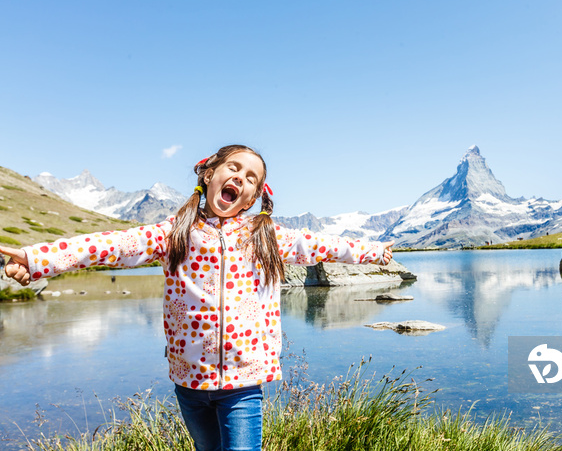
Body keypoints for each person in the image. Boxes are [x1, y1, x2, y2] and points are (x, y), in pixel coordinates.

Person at [0, 144, 394, 451]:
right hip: (189, 382)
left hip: (244, 382)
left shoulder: (265, 235)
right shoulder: (176, 231)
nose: (241, 178)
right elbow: (113, 246)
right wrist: (38, 260)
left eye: (252, 178)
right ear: (208, 174)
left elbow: (325, 245)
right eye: (234, 168)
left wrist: (376, 252)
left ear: (254, 197)